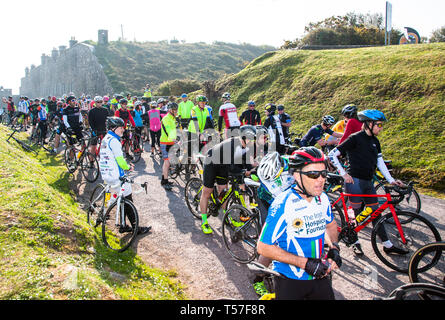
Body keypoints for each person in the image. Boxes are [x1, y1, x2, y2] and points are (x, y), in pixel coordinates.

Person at [257, 147, 341, 300]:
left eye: (323, 174)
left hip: (319, 275)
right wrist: (305, 263)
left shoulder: (323, 198)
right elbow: (263, 247)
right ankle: (258, 276)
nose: (321, 179)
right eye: (313, 174)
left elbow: (329, 225)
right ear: (296, 175)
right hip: (290, 280)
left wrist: (334, 247)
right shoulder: (283, 204)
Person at [328, 109, 407, 256]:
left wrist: (391, 180)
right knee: (357, 214)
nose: (380, 128)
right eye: (378, 125)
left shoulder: (375, 141)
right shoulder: (355, 138)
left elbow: (380, 162)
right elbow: (333, 154)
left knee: (375, 212)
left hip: (368, 181)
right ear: (369, 124)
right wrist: (344, 174)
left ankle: (387, 245)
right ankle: (355, 242)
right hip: (354, 181)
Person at [199, 125, 268, 234]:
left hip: (223, 165)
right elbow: (232, 168)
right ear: (242, 138)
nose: (251, 141)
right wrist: (246, 172)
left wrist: (255, 169)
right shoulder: (232, 145)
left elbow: (246, 163)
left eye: (253, 139)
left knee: (224, 191)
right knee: (207, 192)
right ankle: (204, 221)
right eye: (249, 139)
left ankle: (226, 217)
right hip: (212, 163)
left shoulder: (248, 146)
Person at [252, 151, 296, 296]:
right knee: (273, 241)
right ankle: (257, 279)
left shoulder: (293, 164)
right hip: (268, 198)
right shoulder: (265, 172)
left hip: (290, 196)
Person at [99, 117, 151, 235]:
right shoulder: (115, 141)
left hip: (106, 173)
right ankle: (135, 227)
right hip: (116, 175)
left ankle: (121, 223)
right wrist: (128, 167)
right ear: (113, 128)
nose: (123, 130)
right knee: (128, 199)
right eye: (121, 127)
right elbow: (121, 162)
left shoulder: (106, 138)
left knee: (118, 196)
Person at [160, 102, 179, 191]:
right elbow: (168, 131)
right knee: (167, 163)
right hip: (165, 142)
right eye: (174, 110)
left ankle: (163, 180)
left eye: (176, 110)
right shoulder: (167, 118)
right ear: (170, 110)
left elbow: (174, 130)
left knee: (167, 162)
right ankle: (166, 181)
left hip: (170, 142)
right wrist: (174, 140)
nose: (176, 111)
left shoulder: (173, 118)